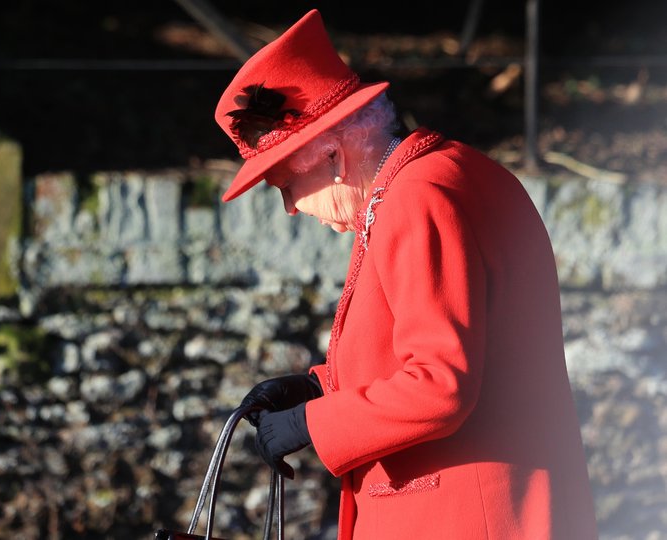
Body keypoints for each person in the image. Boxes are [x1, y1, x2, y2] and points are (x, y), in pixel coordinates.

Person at [213, 9, 599, 539]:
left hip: (462, 518)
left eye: (284, 184)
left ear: (332, 156)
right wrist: (316, 389)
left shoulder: (417, 197)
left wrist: (311, 424)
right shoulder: (444, 174)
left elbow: (440, 384)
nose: (290, 209)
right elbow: (443, 346)